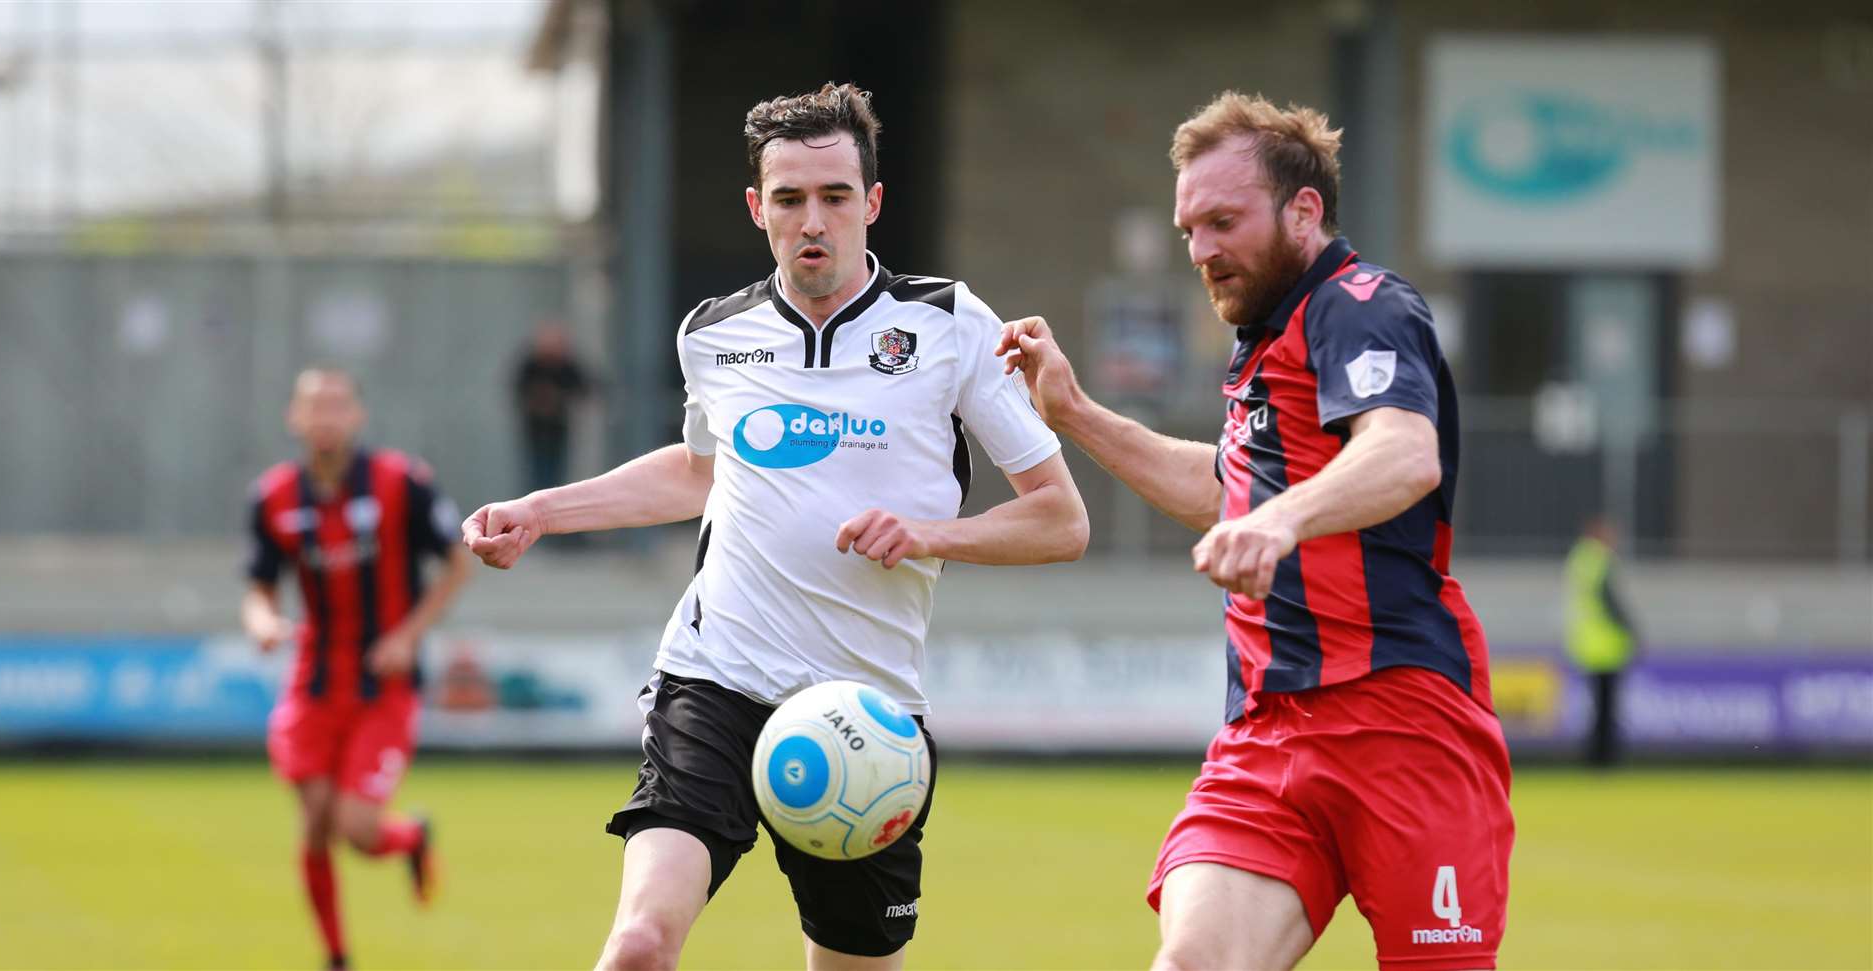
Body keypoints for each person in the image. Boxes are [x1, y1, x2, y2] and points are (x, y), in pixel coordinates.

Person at [462, 83, 1088, 971]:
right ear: (759, 209)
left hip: (864, 718)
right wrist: (539, 511)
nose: (813, 221)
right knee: (639, 942)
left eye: (835, 197)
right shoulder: (714, 334)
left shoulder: (949, 324)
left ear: (872, 203)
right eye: (789, 199)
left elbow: (1061, 520)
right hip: (716, 679)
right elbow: (700, 473)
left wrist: (926, 533)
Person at [997, 92, 1514, 970]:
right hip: (1268, 730)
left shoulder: (1363, 305)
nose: (1201, 251)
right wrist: (1075, 412)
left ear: (1303, 211)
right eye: (1188, 229)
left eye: (1223, 221)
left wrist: (1278, 520)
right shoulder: (1261, 340)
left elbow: (1403, 453)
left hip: (1403, 720)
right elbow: (1226, 487)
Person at [242, 367, 473, 971]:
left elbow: (456, 564)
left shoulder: (402, 482)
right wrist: (263, 624)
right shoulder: (273, 496)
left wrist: (406, 636)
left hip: (383, 685)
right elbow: (259, 589)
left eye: (337, 405)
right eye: (313, 406)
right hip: (314, 684)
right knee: (315, 824)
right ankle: (336, 955)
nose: (325, 416)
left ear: (358, 416)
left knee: (358, 828)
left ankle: (411, 837)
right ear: (295, 418)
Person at [1565, 515, 1639, 767]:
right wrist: (1630, 629)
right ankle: (1606, 759)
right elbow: (1610, 602)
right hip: (1606, 645)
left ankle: (1594, 757)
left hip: (1587, 644)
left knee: (1598, 708)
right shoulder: (1600, 560)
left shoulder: (1580, 559)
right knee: (1607, 709)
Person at [513, 320, 599, 496]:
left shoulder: (566, 365)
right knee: (536, 472)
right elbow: (517, 389)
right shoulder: (531, 364)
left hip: (557, 429)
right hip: (535, 429)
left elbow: (586, 388)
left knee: (556, 472)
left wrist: (559, 398)